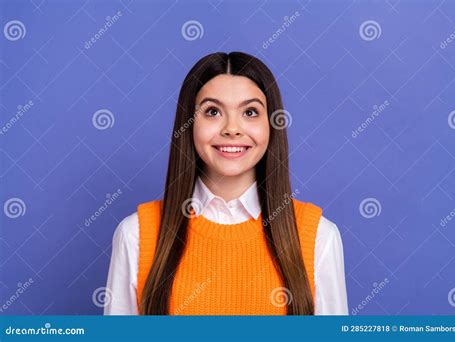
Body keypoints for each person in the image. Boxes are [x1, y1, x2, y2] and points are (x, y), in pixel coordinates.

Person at [104, 51, 348, 315]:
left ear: (271, 125)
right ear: (189, 125)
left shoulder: (319, 237)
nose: (232, 128)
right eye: (212, 111)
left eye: (250, 112)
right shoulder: (136, 234)